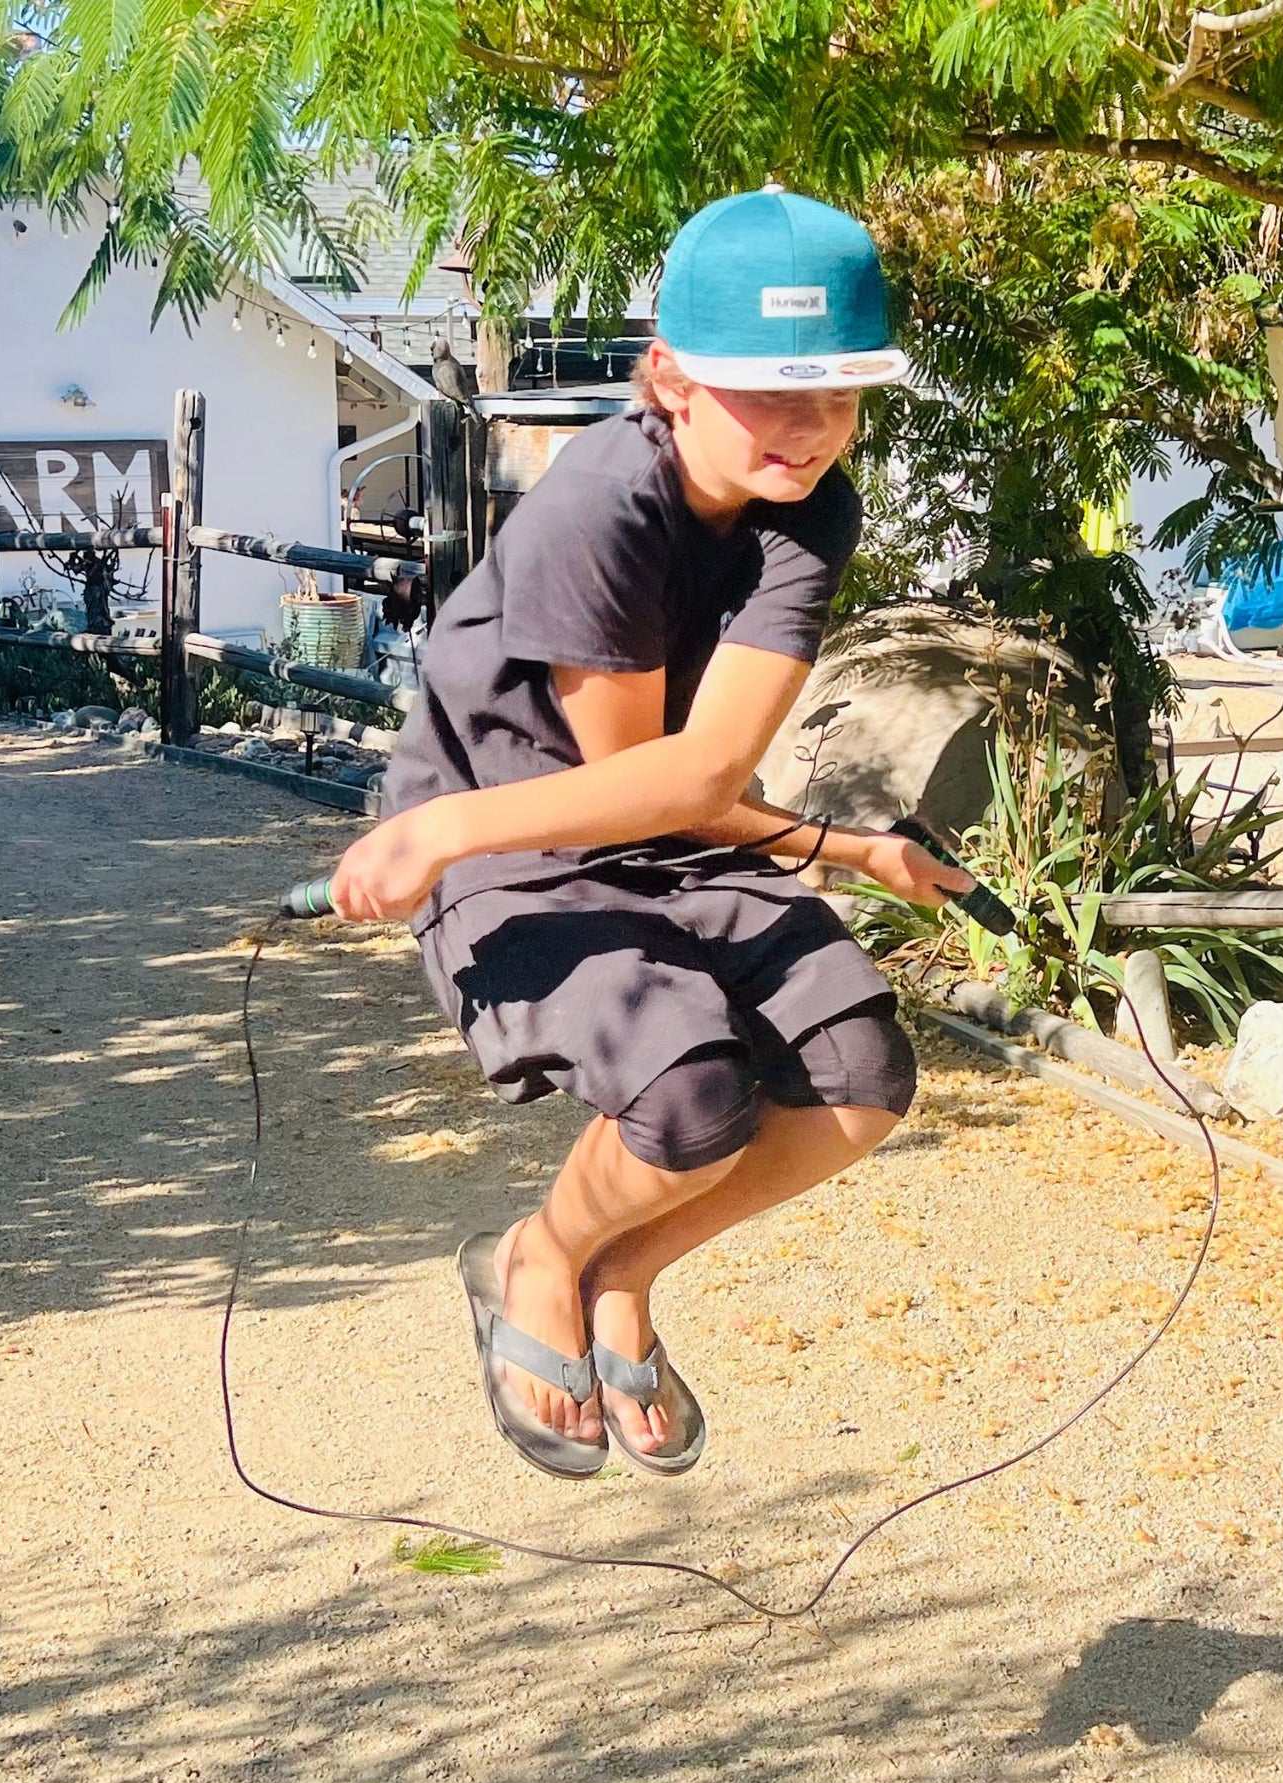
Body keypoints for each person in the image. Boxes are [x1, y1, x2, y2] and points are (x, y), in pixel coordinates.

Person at [328, 187, 977, 1479]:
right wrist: (447, 829)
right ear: (671, 380)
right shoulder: (600, 509)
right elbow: (650, 788)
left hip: (648, 814)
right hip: (510, 836)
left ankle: (625, 1272)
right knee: (691, 1093)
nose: (808, 429)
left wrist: (861, 858)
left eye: (841, 395)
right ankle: (541, 1258)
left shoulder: (811, 510)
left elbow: (696, 779)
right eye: (768, 393)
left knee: (863, 1072)